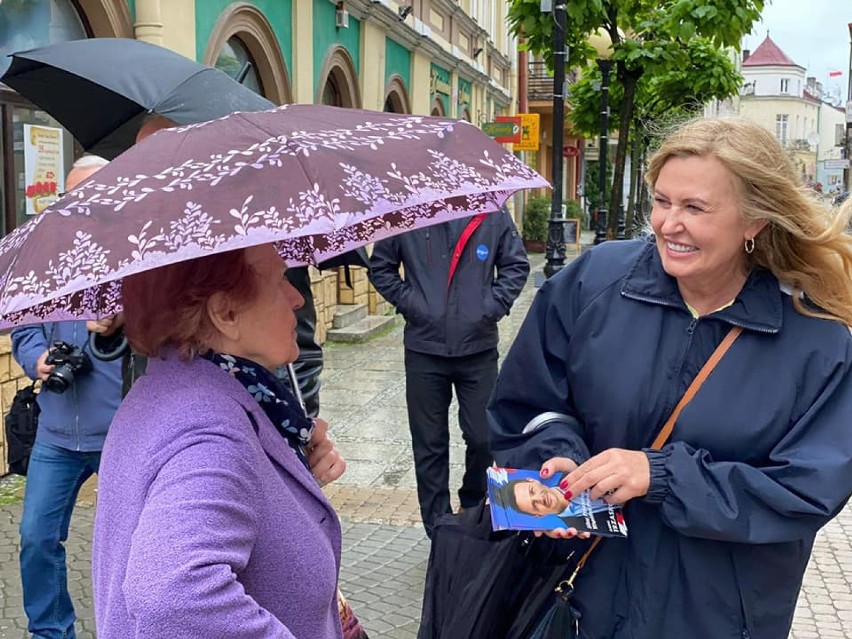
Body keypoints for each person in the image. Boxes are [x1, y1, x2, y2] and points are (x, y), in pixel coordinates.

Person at [488, 117, 852, 639]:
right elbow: (525, 402)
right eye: (661, 202)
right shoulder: (593, 283)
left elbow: (809, 490)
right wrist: (555, 456)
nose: (667, 224)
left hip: (715, 614)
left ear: (754, 221)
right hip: (583, 596)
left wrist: (662, 477)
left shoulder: (815, 339)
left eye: (695, 208)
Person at [92, 243, 347, 637]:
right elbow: (171, 599)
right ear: (226, 313)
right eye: (280, 281)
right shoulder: (210, 431)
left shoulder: (168, 388)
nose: (297, 298)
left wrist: (288, 480)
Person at [12, 156, 123, 639]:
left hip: (120, 428)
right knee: (36, 537)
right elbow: (25, 321)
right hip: (55, 432)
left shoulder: (135, 253)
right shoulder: (46, 255)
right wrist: (34, 355)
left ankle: (131, 626)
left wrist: (123, 323)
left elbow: (168, 331)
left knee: (130, 542)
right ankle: (50, 632)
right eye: (70, 197)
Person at [369, 207, 529, 535]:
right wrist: (412, 303)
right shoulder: (406, 213)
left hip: (478, 348)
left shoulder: (491, 214)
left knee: (484, 437)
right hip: (424, 350)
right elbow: (381, 267)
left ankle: (472, 505)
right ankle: (438, 527)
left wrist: (490, 307)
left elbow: (516, 264)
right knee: (429, 443)